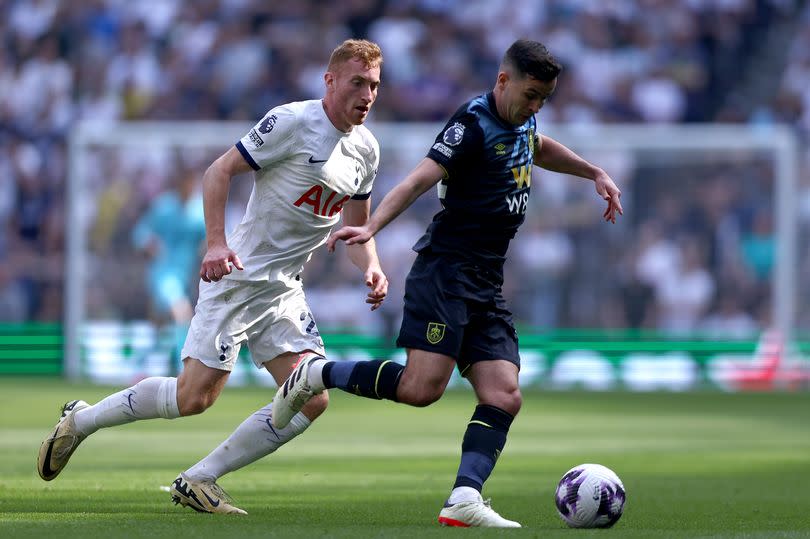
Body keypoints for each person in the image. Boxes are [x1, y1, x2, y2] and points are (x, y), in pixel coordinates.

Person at [272, 39, 623, 528]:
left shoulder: (523, 119)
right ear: (504, 81)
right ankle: (316, 374)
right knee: (421, 390)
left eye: (544, 98)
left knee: (504, 395)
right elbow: (419, 179)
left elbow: (537, 147)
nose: (536, 106)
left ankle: (464, 497)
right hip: (446, 273)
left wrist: (593, 172)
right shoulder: (472, 123)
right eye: (531, 95)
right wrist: (372, 228)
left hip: (486, 280)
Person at [37, 39, 388, 515]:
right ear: (330, 81)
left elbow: (356, 229)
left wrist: (371, 267)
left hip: (284, 289)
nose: (366, 94)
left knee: (311, 399)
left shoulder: (366, 149)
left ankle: (200, 478)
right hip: (239, 277)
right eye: (357, 83)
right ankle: (81, 420)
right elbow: (217, 172)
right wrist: (217, 243)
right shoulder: (292, 122)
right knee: (194, 398)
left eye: (373, 85)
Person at [131, 165, 206, 373]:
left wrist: (206, 248)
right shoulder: (163, 206)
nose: (190, 187)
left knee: (159, 326)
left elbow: (209, 239)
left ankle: (138, 368)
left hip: (184, 277)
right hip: (162, 273)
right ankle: (182, 370)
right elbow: (140, 233)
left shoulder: (199, 211)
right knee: (181, 313)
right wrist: (148, 244)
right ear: (180, 183)